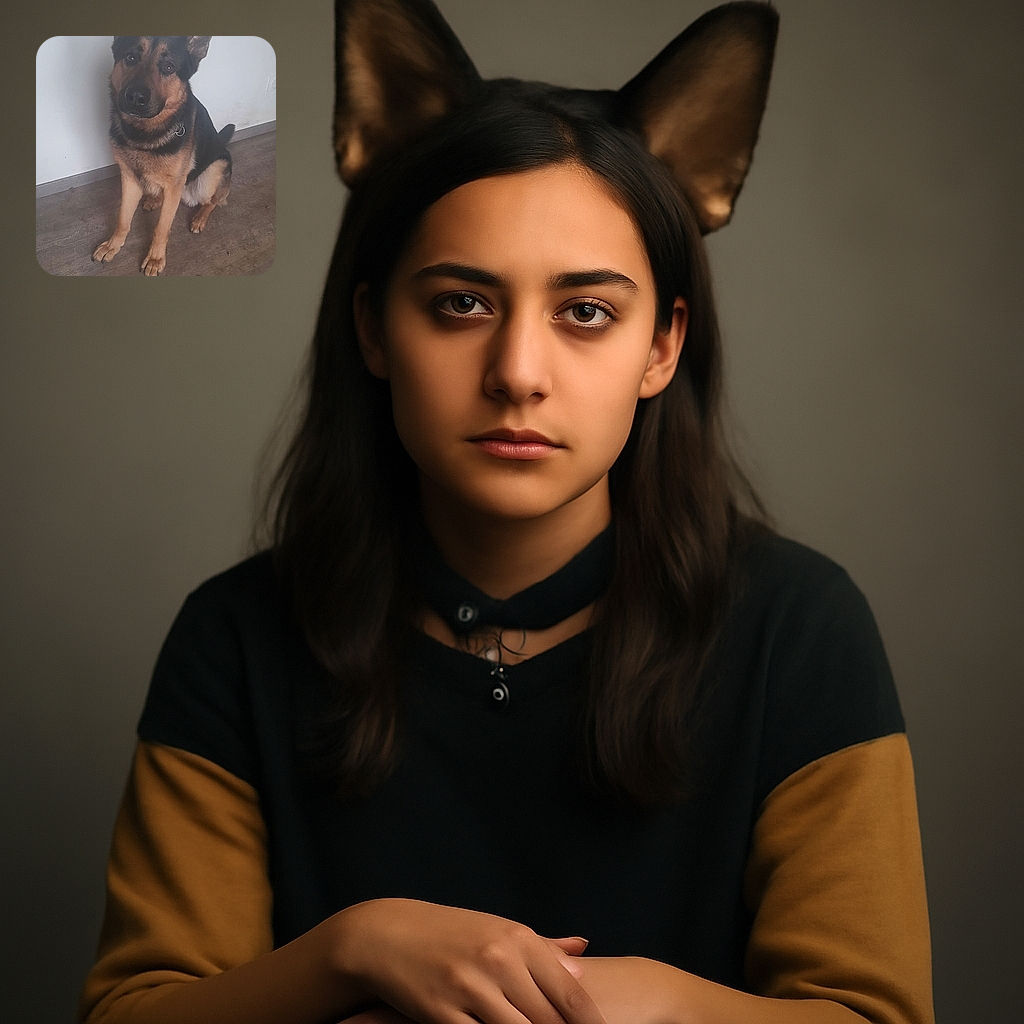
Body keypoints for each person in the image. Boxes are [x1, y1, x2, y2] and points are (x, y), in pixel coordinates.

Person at [79, 2, 934, 1023]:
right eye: (460, 303)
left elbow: (870, 1012)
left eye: (585, 312)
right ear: (372, 327)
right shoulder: (236, 637)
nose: (517, 373)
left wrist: (636, 1002)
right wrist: (353, 949)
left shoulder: (801, 629)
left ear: (661, 346)